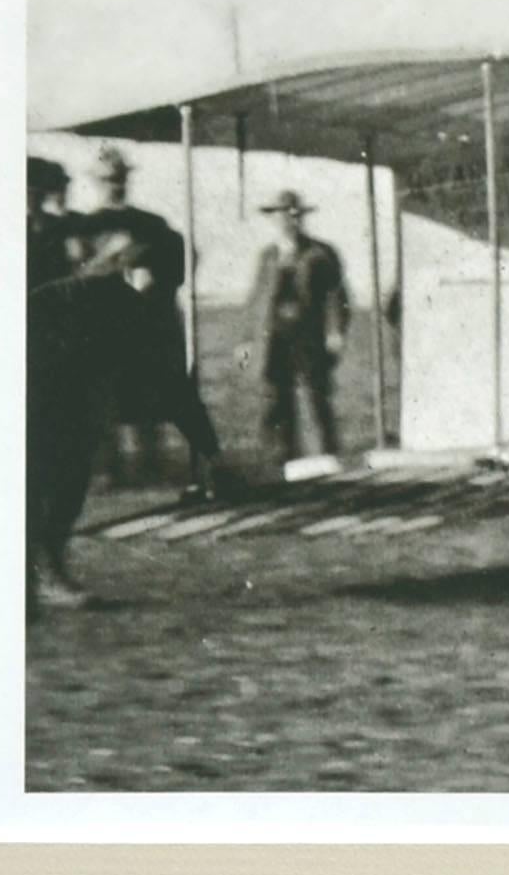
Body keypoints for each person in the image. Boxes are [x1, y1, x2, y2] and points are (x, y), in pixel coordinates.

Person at [70, 145, 226, 503]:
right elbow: (74, 276)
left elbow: (186, 259)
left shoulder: (151, 224)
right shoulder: (83, 227)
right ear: (95, 182)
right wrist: (111, 260)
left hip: (146, 326)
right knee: (100, 399)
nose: (115, 185)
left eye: (120, 178)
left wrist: (157, 281)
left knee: (149, 394)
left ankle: (151, 466)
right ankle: (106, 471)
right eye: (108, 179)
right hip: (100, 326)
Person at [25, 158, 121, 609]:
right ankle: (36, 573)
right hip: (22, 370)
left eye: (41, 191)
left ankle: (50, 565)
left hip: (69, 369)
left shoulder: (66, 233)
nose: (37, 199)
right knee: (32, 473)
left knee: (70, 472)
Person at [243, 189, 353, 467]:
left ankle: (328, 458)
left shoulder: (321, 254)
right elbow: (256, 300)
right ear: (274, 219)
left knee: (317, 397)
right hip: (274, 340)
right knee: (276, 402)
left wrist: (335, 331)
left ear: (300, 218)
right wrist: (246, 341)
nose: (286, 221)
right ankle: (281, 461)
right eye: (280, 215)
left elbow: (336, 296)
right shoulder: (268, 256)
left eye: (292, 215)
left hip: (309, 339)